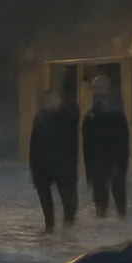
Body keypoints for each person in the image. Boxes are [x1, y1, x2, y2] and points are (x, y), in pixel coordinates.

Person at [28, 88, 79, 232]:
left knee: (68, 201)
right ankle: (49, 227)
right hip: (43, 166)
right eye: (46, 101)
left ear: (58, 99)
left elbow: (74, 117)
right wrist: (33, 166)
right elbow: (34, 142)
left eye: (52, 99)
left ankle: (69, 228)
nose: (48, 103)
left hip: (64, 166)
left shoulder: (69, 114)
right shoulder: (40, 117)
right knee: (45, 199)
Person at [81, 74, 129, 218]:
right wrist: (88, 167)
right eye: (96, 87)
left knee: (119, 199)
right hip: (97, 163)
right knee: (100, 202)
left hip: (114, 161)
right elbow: (86, 143)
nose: (98, 90)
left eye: (101, 87)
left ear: (108, 88)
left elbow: (123, 139)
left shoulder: (117, 113)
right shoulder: (90, 115)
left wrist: (122, 163)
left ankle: (120, 224)